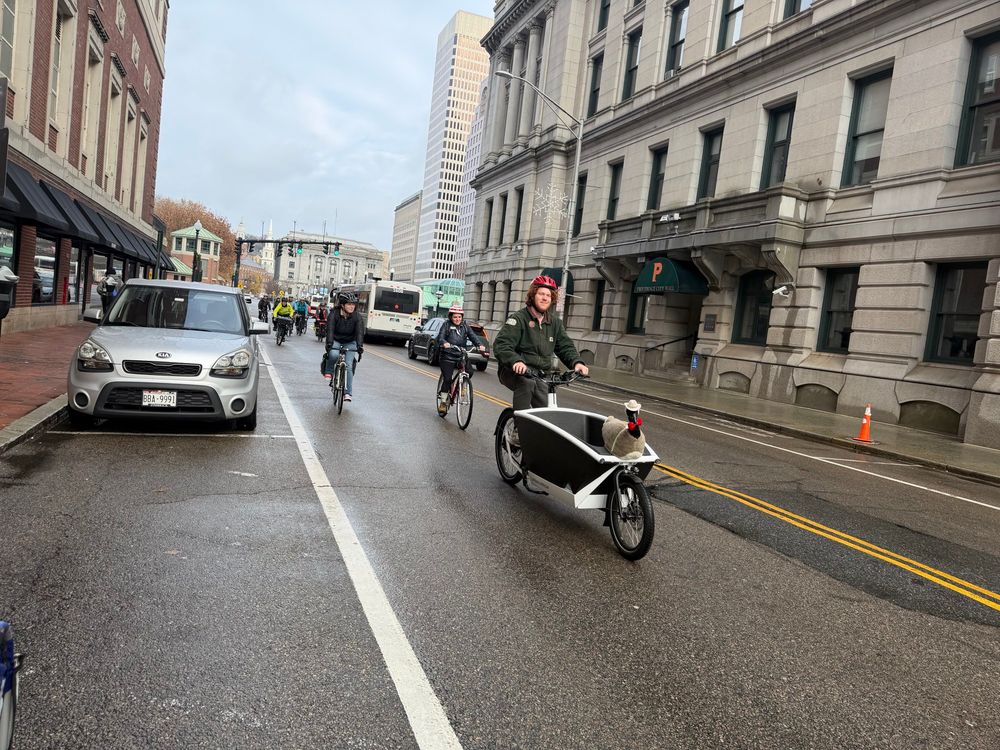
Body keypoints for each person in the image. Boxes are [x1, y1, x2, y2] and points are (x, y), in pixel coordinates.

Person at [492, 274, 589, 411]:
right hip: (513, 371)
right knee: (527, 383)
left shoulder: (555, 323)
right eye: (541, 294)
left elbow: (565, 346)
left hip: (541, 374)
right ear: (533, 295)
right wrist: (516, 361)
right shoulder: (519, 319)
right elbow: (502, 345)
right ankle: (520, 420)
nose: (545, 298)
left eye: (548, 295)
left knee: (547, 411)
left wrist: (577, 363)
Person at [435, 304, 486, 415]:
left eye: (459, 317)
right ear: (450, 317)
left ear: (462, 317)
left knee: (470, 371)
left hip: (460, 354)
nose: (457, 319)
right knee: (447, 379)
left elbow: (473, 336)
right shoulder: (446, 325)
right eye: (455, 317)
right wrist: (444, 343)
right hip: (447, 356)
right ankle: (443, 402)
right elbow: (441, 337)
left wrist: (479, 345)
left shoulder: (465, 326)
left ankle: (462, 385)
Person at [324, 291, 365, 401]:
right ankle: (329, 371)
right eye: (349, 304)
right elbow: (330, 330)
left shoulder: (357, 317)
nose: (352, 307)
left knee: (349, 365)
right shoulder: (334, 314)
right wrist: (329, 343)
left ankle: (348, 393)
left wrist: (360, 346)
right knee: (333, 354)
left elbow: (360, 332)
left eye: (353, 304)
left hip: (350, 342)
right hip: (336, 340)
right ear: (342, 305)